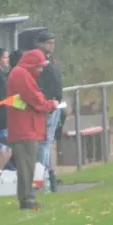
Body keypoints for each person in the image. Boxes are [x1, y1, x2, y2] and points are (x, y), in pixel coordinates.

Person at [6, 49, 58, 210]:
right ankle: (28, 198)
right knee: (27, 165)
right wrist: (51, 104)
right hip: (25, 127)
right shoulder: (22, 75)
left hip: (24, 126)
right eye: (39, 67)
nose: (41, 70)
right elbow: (36, 99)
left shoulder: (19, 73)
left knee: (25, 166)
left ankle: (26, 198)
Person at [34, 30, 64, 192]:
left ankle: (49, 178)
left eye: (53, 42)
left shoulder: (51, 60)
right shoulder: (39, 61)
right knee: (44, 145)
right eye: (48, 42)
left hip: (55, 105)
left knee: (46, 144)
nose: (52, 45)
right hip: (46, 106)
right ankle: (42, 181)